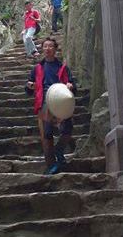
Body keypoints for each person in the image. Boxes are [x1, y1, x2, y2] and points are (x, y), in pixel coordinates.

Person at [26, 38, 76, 174]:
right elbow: (29, 87)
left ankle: (59, 150)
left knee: (67, 129)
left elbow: (72, 84)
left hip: (61, 100)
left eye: (50, 46)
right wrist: (30, 85)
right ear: (42, 49)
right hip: (45, 101)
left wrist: (70, 86)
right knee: (47, 134)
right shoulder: (37, 68)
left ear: (55, 49)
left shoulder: (63, 67)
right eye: (45, 46)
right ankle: (51, 165)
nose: (47, 48)